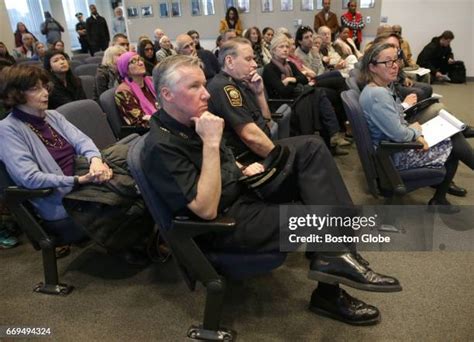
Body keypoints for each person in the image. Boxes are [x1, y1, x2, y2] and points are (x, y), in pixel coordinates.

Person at [144, 54, 402, 326]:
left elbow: (222, 163)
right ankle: (331, 281)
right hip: (223, 223)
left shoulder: (190, 119)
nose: (206, 94)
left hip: (241, 189)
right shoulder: (161, 146)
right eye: (194, 87)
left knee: (311, 149)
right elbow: (206, 210)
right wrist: (210, 142)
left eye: (203, 84)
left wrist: (240, 167)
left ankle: (335, 254)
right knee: (315, 212)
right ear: (167, 94)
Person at [0, 64, 112, 247]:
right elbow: (30, 178)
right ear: (16, 94)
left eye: (45, 87)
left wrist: (96, 161)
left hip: (85, 182)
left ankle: (143, 242)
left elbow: (83, 141)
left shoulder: (52, 116)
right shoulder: (7, 130)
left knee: (133, 182)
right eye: (35, 89)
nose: (45, 93)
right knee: (129, 193)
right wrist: (78, 180)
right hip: (61, 201)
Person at [359, 43, 474, 212]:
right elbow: (399, 134)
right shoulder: (378, 95)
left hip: (392, 150)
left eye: (396, 60)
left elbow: (396, 121)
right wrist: (416, 132)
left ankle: (439, 199)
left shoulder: (377, 88)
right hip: (394, 156)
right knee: (454, 141)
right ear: (372, 67)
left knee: (452, 137)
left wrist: (413, 129)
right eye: (387, 62)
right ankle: (439, 200)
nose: (395, 65)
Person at [262, 35, 350, 153]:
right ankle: (332, 137)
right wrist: (295, 82)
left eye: (287, 46)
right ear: (273, 50)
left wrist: (291, 80)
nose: (285, 49)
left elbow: (303, 79)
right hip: (284, 104)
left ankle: (331, 139)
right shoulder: (270, 69)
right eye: (281, 47)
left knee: (319, 96)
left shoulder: (290, 65)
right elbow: (282, 91)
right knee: (319, 95)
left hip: (297, 97)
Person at [114, 52, 157, 128]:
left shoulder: (151, 81)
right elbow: (139, 122)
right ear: (126, 69)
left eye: (140, 59)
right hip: (148, 130)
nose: (140, 63)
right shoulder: (123, 92)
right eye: (134, 61)